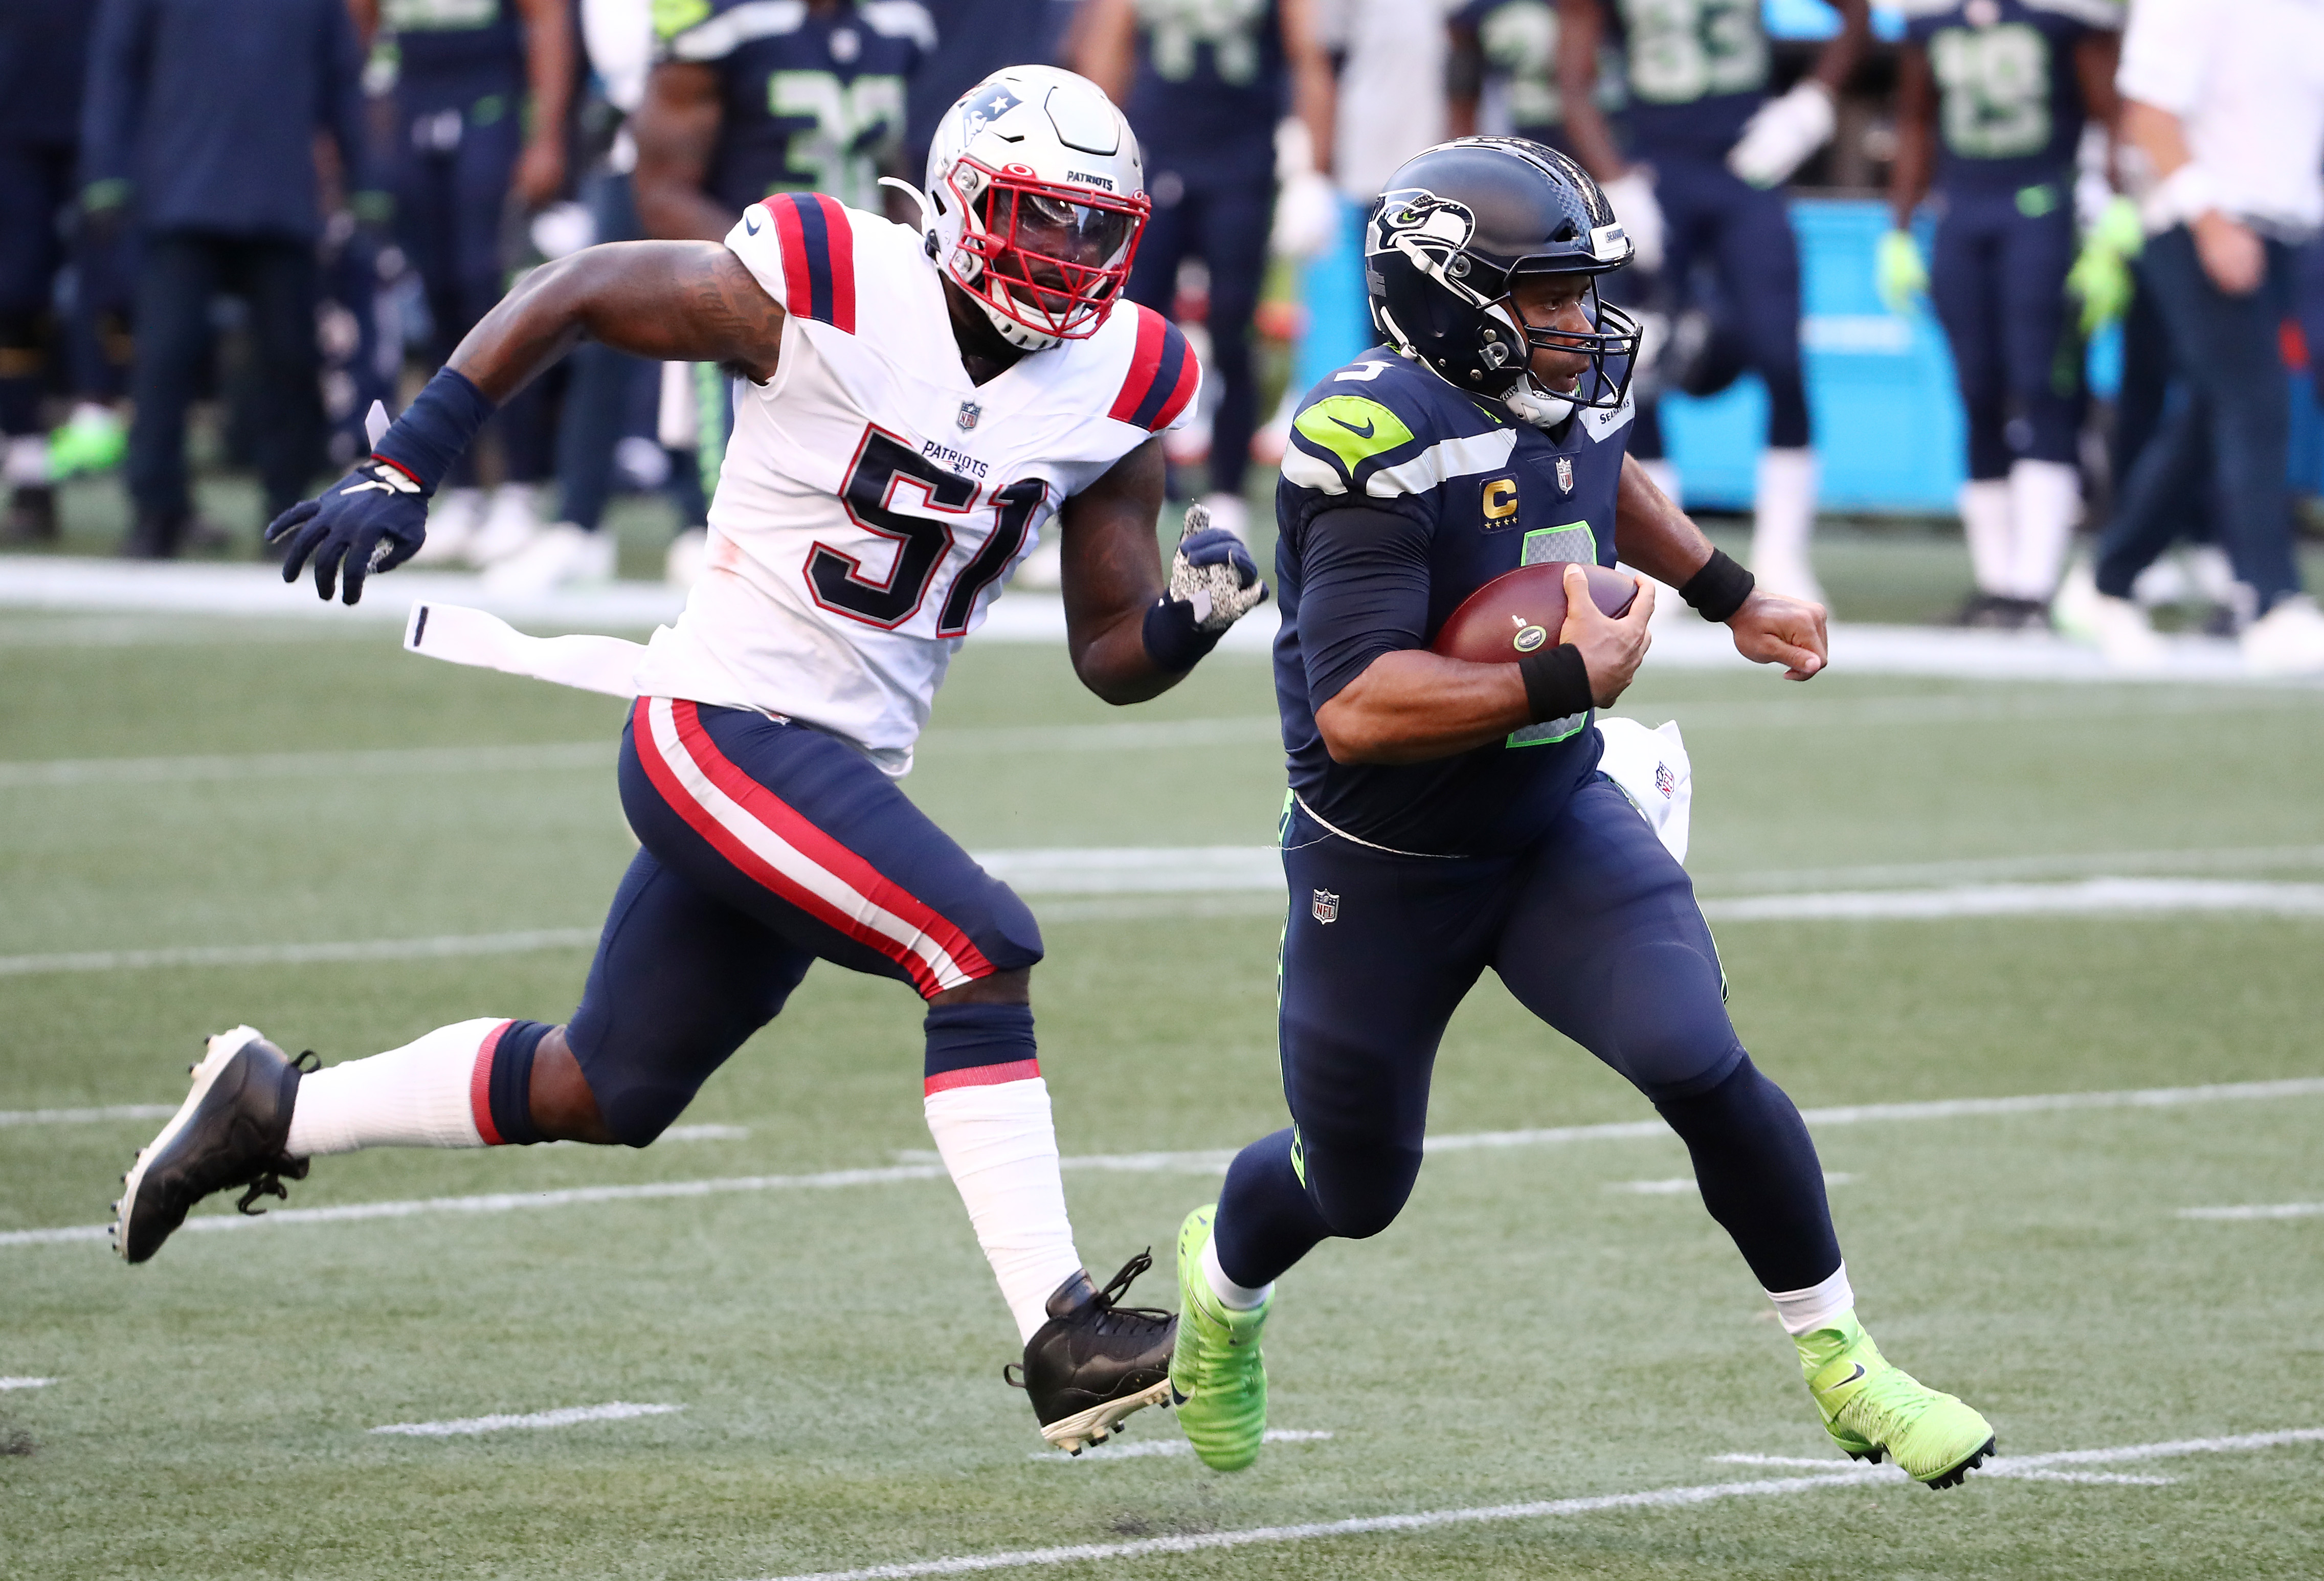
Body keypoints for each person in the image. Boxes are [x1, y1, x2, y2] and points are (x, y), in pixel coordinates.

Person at [111, 65, 1266, 1457]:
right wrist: (408, 462)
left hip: (836, 771)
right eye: (1042, 220)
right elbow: (588, 285)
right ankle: (1063, 1328)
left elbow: (1108, 650)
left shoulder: (1125, 373)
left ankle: (278, 1105)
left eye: (1097, 233)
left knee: (608, 1088)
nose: (1070, 260)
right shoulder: (836, 275)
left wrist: (1191, 617)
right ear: (962, 204)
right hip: (720, 729)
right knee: (979, 944)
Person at [1164, 138, 1997, 1493]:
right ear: (1449, 297)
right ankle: (1223, 1289)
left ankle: (1845, 1362)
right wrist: (1566, 670)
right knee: (1355, 1185)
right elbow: (1357, 709)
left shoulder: (1568, 394)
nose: (1574, 327)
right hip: (1384, 859)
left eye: (1576, 293)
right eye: (1545, 298)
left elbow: (1607, 481)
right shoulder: (1362, 442)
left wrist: (1733, 592)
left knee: (1699, 1056)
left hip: (1552, 810)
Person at [615, 0, 933, 594]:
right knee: (745, 532)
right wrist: (773, 272)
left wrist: (923, 271)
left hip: (867, 302)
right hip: (755, 303)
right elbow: (660, 193)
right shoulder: (720, 25)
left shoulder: (900, 24)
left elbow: (889, 167)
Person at [1558, 0, 1869, 607]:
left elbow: (1856, 13)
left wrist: (1811, 105)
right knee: (1630, 362)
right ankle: (1656, 558)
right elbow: (1571, 80)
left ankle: (1781, 553)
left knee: (1780, 352)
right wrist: (1614, 178)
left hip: (1744, 164)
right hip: (1654, 165)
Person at [81, 0, 378, 559]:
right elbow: (116, 66)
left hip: (281, 199)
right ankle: (157, 508)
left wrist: (365, 174)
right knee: (166, 356)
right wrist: (106, 169)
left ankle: (286, 510)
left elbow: (342, 77)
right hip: (181, 193)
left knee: (290, 360)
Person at [2086, 0, 2324, 675]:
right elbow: (2148, 112)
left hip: (2283, 228)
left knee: (2209, 416)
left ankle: (2109, 579)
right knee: (2257, 402)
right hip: (2199, 227)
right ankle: (2272, 601)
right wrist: (2212, 221)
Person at [1881, 0, 2122, 630]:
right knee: (1976, 390)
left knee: (2040, 386)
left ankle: (2032, 584)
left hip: (2042, 208)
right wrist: (1900, 230)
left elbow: (2110, 113)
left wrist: (2109, 213)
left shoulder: (2061, 14)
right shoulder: (1930, 17)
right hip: (1960, 213)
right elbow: (1914, 119)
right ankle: (1996, 582)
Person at [1074, 0, 1336, 543]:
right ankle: (1132, 470)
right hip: (1155, 151)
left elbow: (1308, 55)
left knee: (1233, 326)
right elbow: (1104, 46)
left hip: (1241, 161)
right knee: (1130, 322)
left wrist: (1315, 171)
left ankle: (1227, 487)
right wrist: (1091, 154)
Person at [375, 0, 575, 570]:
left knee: (491, 296)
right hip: (414, 100)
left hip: (489, 103)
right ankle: (458, 489)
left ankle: (517, 486)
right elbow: (358, 25)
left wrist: (546, 137)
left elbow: (548, 22)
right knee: (435, 299)